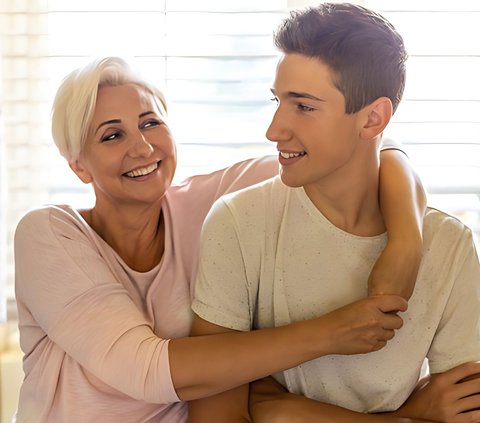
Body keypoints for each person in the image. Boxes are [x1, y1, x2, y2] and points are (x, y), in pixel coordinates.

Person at [13, 55, 425, 423]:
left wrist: (406, 242)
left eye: (150, 123)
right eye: (111, 135)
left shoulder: (212, 204)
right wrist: (331, 333)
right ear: (79, 167)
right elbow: (144, 369)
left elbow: (362, 149)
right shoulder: (50, 234)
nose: (141, 147)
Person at [189, 3, 480, 423]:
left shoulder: (449, 246)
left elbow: (464, 411)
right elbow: (215, 416)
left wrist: (280, 410)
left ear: (373, 118)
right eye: (278, 101)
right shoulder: (238, 223)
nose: (274, 130)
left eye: (303, 107)